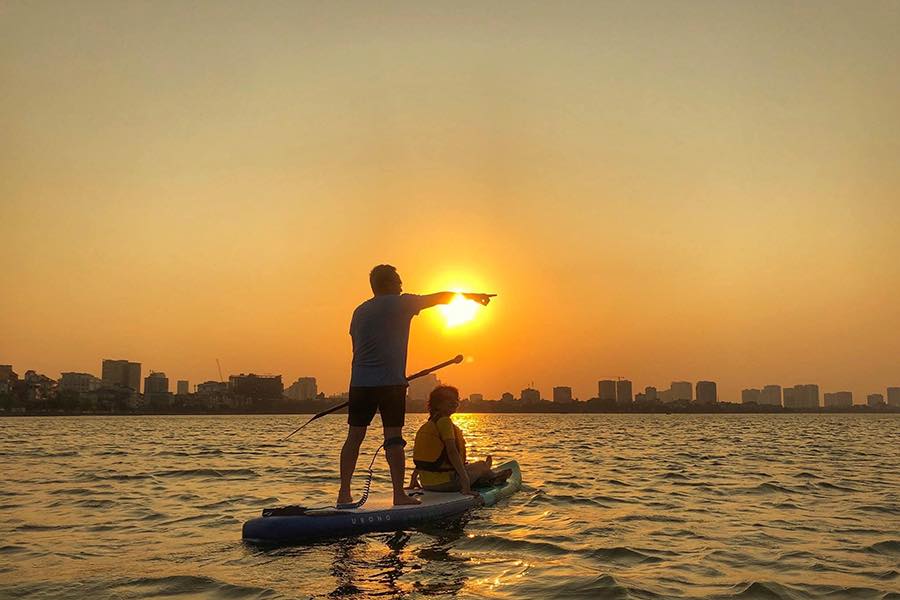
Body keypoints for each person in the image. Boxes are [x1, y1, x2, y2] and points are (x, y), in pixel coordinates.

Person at [337, 264, 494, 507]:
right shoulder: (401, 302)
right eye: (398, 281)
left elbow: (358, 344)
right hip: (391, 384)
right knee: (393, 438)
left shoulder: (359, 311)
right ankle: (399, 496)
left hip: (359, 383)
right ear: (388, 284)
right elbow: (441, 298)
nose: (402, 285)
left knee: (354, 438)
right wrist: (472, 297)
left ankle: (344, 494)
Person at [409, 385, 512, 494]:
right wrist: (465, 482)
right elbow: (452, 451)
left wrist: (414, 478)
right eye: (448, 399)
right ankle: (491, 475)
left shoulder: (430, 424)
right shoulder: (445, 422)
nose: (454, 402)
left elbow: (426, 456)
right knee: (481, 466)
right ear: (437, 404)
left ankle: (485, 471)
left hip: (427, 483)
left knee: (479, 464)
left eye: (456, 399)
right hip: (447, 484)